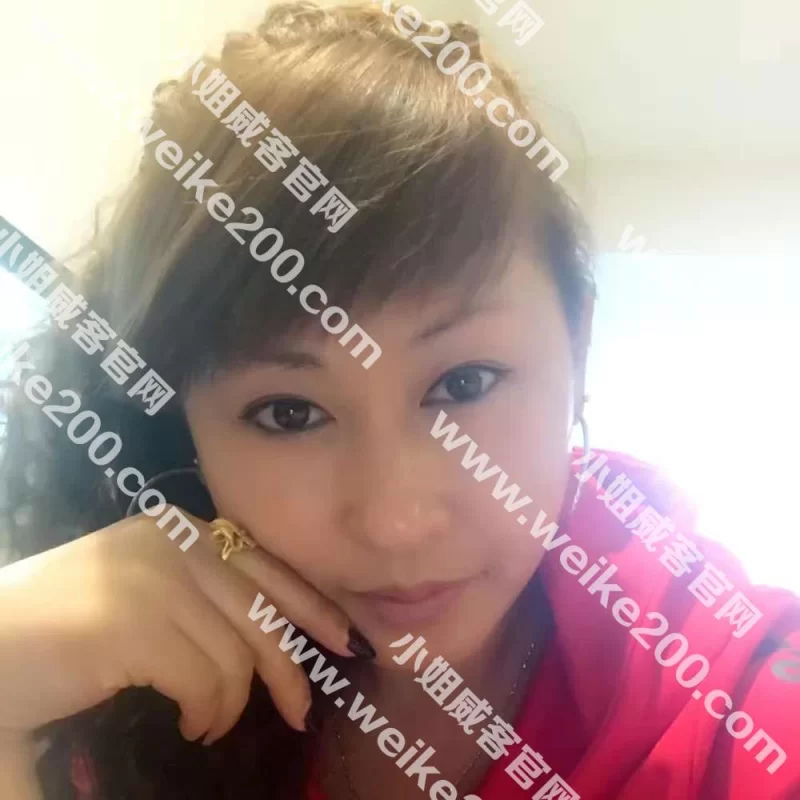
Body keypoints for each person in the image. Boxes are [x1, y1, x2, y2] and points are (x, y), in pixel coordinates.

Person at [0, 2, 798, 798]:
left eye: (465, 383)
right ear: (184, 428)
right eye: (288, 413)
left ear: (578, 346)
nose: (396, 522)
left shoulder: (733, 703)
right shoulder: (130, 699)